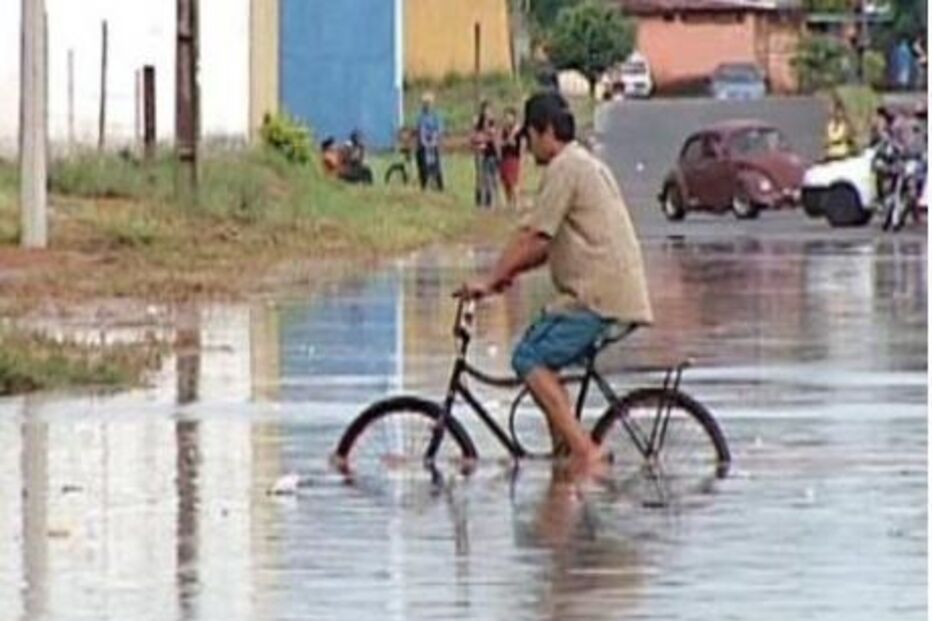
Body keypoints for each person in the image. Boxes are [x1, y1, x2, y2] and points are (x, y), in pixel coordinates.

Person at [458, 92, 654, 474]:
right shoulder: (583, 163)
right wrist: (505, 277)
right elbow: (545, 249)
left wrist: (490, 280)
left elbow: (536, 236)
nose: (528, 149)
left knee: (527, 357)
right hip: (610, 292)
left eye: (529, 137)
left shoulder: (565, 168)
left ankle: (585, 452)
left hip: (597, 296)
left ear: (545, 131)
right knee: (544, 356)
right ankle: (563, 461)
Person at [471, 100, 500, 208]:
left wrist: (487, 136)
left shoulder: (492, 123)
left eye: (489, 110)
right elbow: (473, 137)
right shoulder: (477, 122)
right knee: (480, 177)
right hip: (480, 152)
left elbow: (494, 137)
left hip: (490, 152)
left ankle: (491, 200)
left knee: (492, 177)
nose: (488, 112)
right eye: (486, 110)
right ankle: (480, 200)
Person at [415, 92, 445, 191]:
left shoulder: (436, 115)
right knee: (423, 166)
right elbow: (421, 130)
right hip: (423, 145)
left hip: (434, 143)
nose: (427, 105)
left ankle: (439, 187)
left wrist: (433, 140)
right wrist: (424, 142)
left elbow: (439, 129)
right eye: (425, 103)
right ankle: (424, 186)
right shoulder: (421, 117)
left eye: (429, 103)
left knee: (436, 166)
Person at [499, 107, 523, 210]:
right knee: (505, 183)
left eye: (510, 116)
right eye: (506, 116)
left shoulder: (517, 130)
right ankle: (509, 204)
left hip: (513, 157)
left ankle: (517, 204)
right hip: (504, 157)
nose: (508, 119)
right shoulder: (504, 130)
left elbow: (517, 144)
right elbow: (501, 142)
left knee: (513, 181)